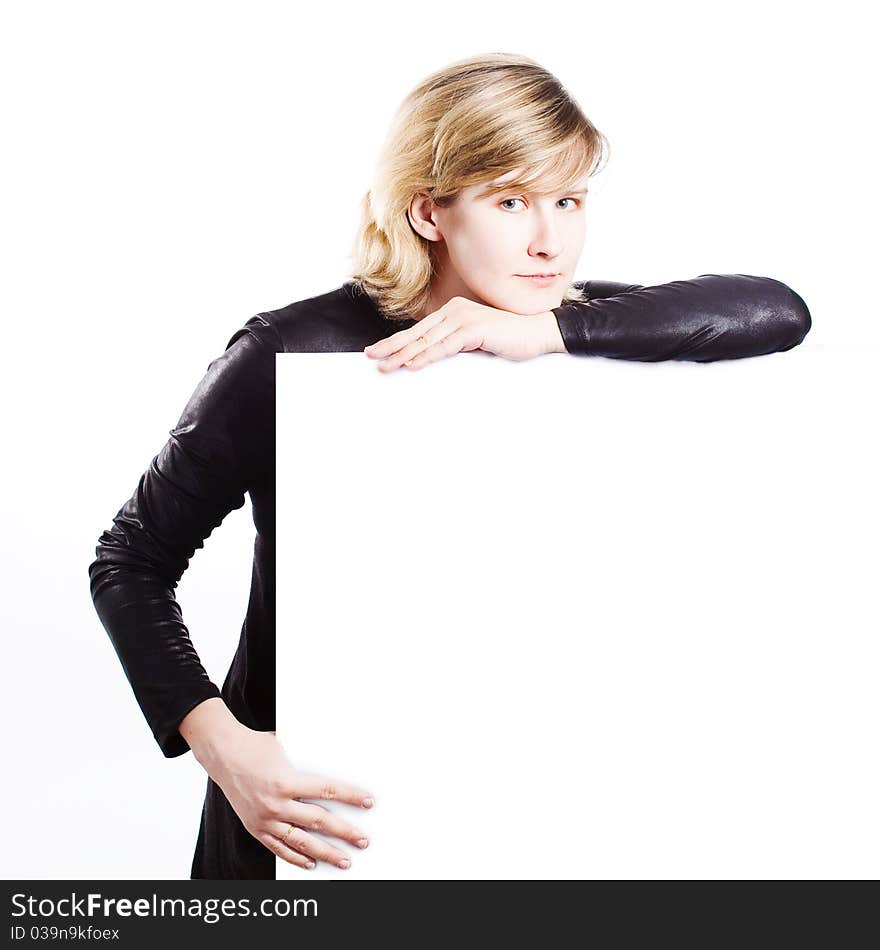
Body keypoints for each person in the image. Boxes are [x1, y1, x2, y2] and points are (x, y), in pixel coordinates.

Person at [88, 51, 812, 881]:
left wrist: (548, 335)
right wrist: (226, 751)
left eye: (568, 202)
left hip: (507, 803)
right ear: (429, 213)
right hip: (305, 805)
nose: (552, 241)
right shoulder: (287, 349)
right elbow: (131, 560)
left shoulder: (572, 322)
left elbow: (780, 311)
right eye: (511, 201)